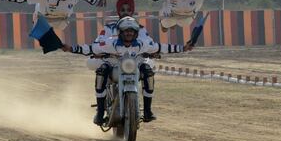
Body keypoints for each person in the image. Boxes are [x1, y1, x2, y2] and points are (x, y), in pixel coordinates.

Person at [62, 16, 193, 125]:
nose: (129, 33)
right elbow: (90, 48)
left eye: (132, 31)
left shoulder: (143, 44)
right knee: (101, 72)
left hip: (133, 67)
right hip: (113, 66)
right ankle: (100, 111)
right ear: (120, 32)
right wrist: (71, 48)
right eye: (125, 30)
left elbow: (162, 47)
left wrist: (183, 48)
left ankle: (147, 110)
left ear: (136, 33)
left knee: (148, 72)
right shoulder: (109, 43)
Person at [87, 0, 153, 70]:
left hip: (135, 62)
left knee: (147, 68)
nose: (126, 12)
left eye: (129, 10)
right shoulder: (109, 28)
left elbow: (150, 43)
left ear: (132, 11)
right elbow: (99, 43)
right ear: (118, 11)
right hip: (113, 63)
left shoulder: (140, 29)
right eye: (122, 10)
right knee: (103, 69)